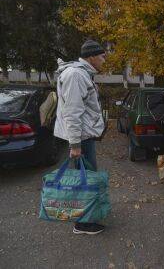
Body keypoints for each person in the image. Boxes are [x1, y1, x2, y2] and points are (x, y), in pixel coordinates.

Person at [54, 39, 106, 235]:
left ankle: (85, 218)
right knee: (85, 181)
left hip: (84, 138)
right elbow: (72, 112)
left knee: (86, 179)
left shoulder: (82, 74)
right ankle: (83, 224)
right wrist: (75, 144)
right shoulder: (76, 75)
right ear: (91, 57)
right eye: (102, 56)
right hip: (81, 140)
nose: (103, 60)